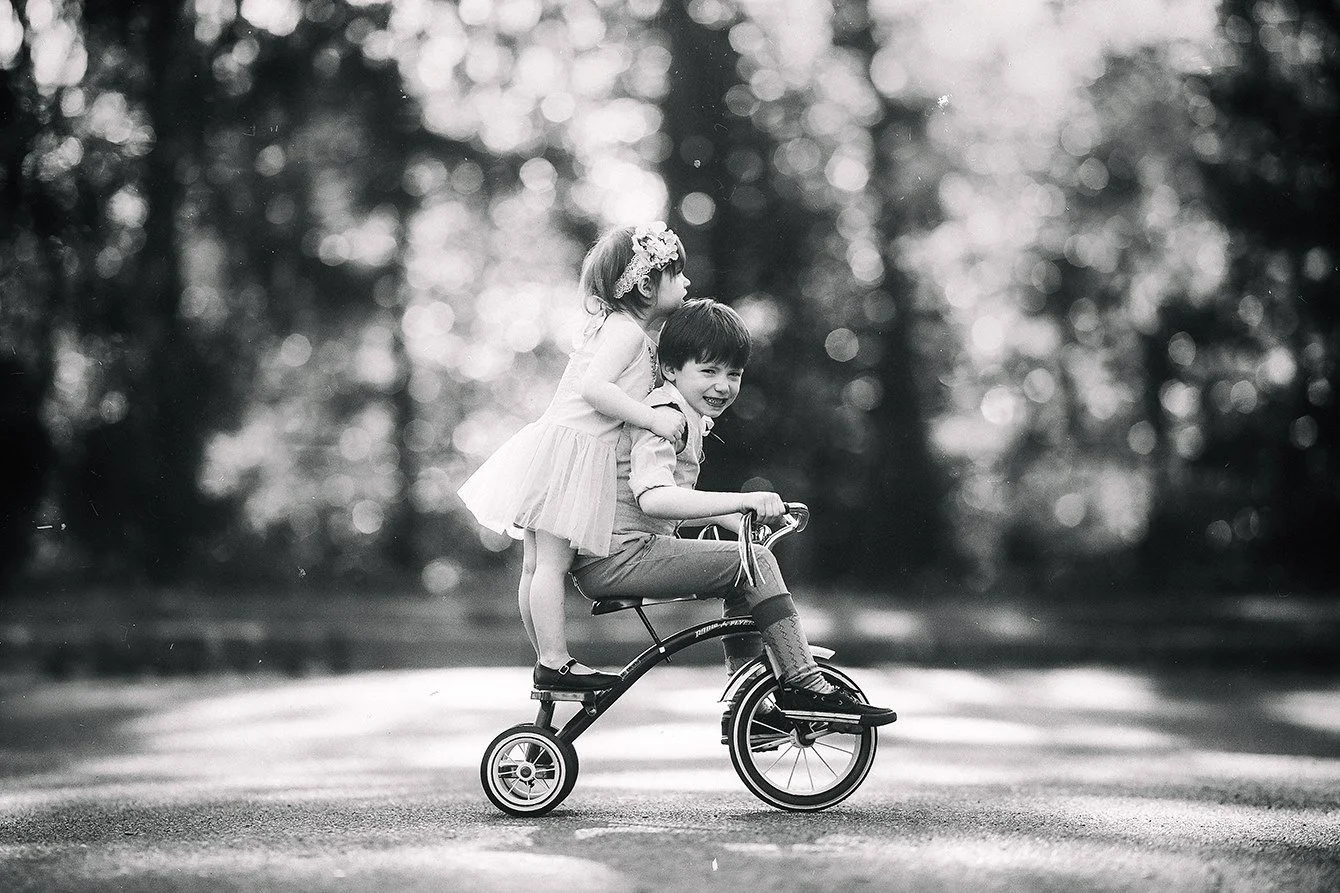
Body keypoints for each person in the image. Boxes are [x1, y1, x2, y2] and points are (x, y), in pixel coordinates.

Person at [572, 299, 897, 726]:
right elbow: (654, 498)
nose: (723, 386)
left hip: (628, 551)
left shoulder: (679, 412)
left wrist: (730, 520)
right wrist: (739, 501)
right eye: (709, 371)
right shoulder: (664, 416)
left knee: (745, 568)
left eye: (734, 374)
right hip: (619, 558)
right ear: (671, 369)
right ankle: (802, 681)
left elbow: (665, 501)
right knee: (754, 561)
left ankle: (751, 705)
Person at [458, 223, 691, 692]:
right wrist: (653, 419)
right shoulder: (626, 333)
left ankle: (547, 660)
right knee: (550, 566)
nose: (687, 283)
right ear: (647, 285)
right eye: (678, 274)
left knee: (536, 567)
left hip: (559, 452)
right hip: (572, 454)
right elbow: (594, 389)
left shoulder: (625, 331)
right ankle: (554, 660)